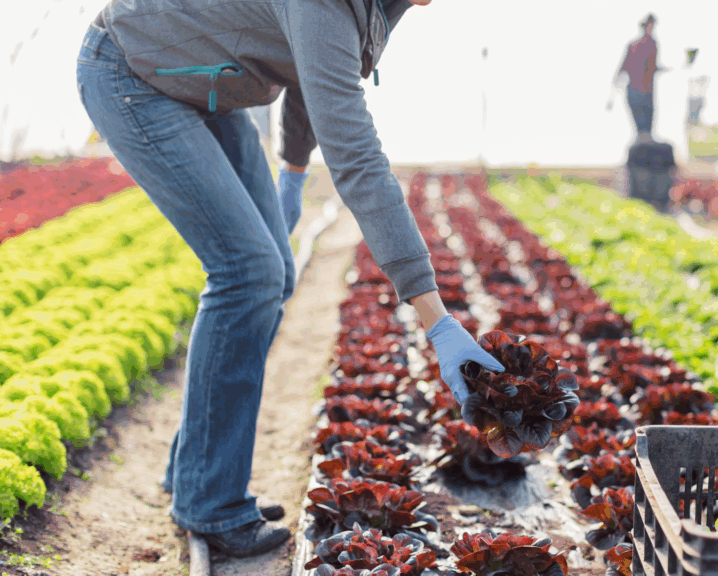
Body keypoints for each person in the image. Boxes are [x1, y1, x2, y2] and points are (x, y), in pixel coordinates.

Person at [76, 0, 504, 558]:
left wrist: (294, 174)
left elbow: (312, 70)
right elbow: (358, 161)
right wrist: (437, 320)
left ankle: (197, 469)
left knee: (271, 270)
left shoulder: (379, 6)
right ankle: (210, 503)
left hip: (204, 79)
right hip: (135, 71)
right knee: (247, 272)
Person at [615, 14, 661, 140]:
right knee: (644, 124)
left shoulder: (640, 44)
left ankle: (644, 139)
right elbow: (625, 66)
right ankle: (644, 139)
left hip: (641, 89)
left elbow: (624, 67)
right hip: (641, 89)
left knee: (644, 126)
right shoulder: (644, 44)